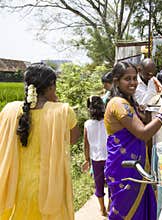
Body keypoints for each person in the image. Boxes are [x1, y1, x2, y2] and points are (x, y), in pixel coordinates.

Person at [0, 63, 80, 219]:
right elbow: (73, 139)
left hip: (15, 185)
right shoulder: (62, 111)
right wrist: (56, 106)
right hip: (48, 186)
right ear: (51, 86)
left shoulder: (10, 110)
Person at [104, 61, 162, 219]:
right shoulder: (118, 104)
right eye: (127, 79)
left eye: (134, 78)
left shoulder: (129, 102)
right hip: (125, 168)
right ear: (117, 81)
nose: (133, 83)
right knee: (125, 211)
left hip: (135, 165)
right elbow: (143, 133)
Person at [82, 95, 110, 217]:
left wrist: (86, 159)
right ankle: (110, 205)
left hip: (96, 159)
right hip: (110, 157)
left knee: (98, 184)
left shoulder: (87, 124)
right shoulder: (108, 123)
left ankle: (102, 208)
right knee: (111, 182)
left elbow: (86, 144)